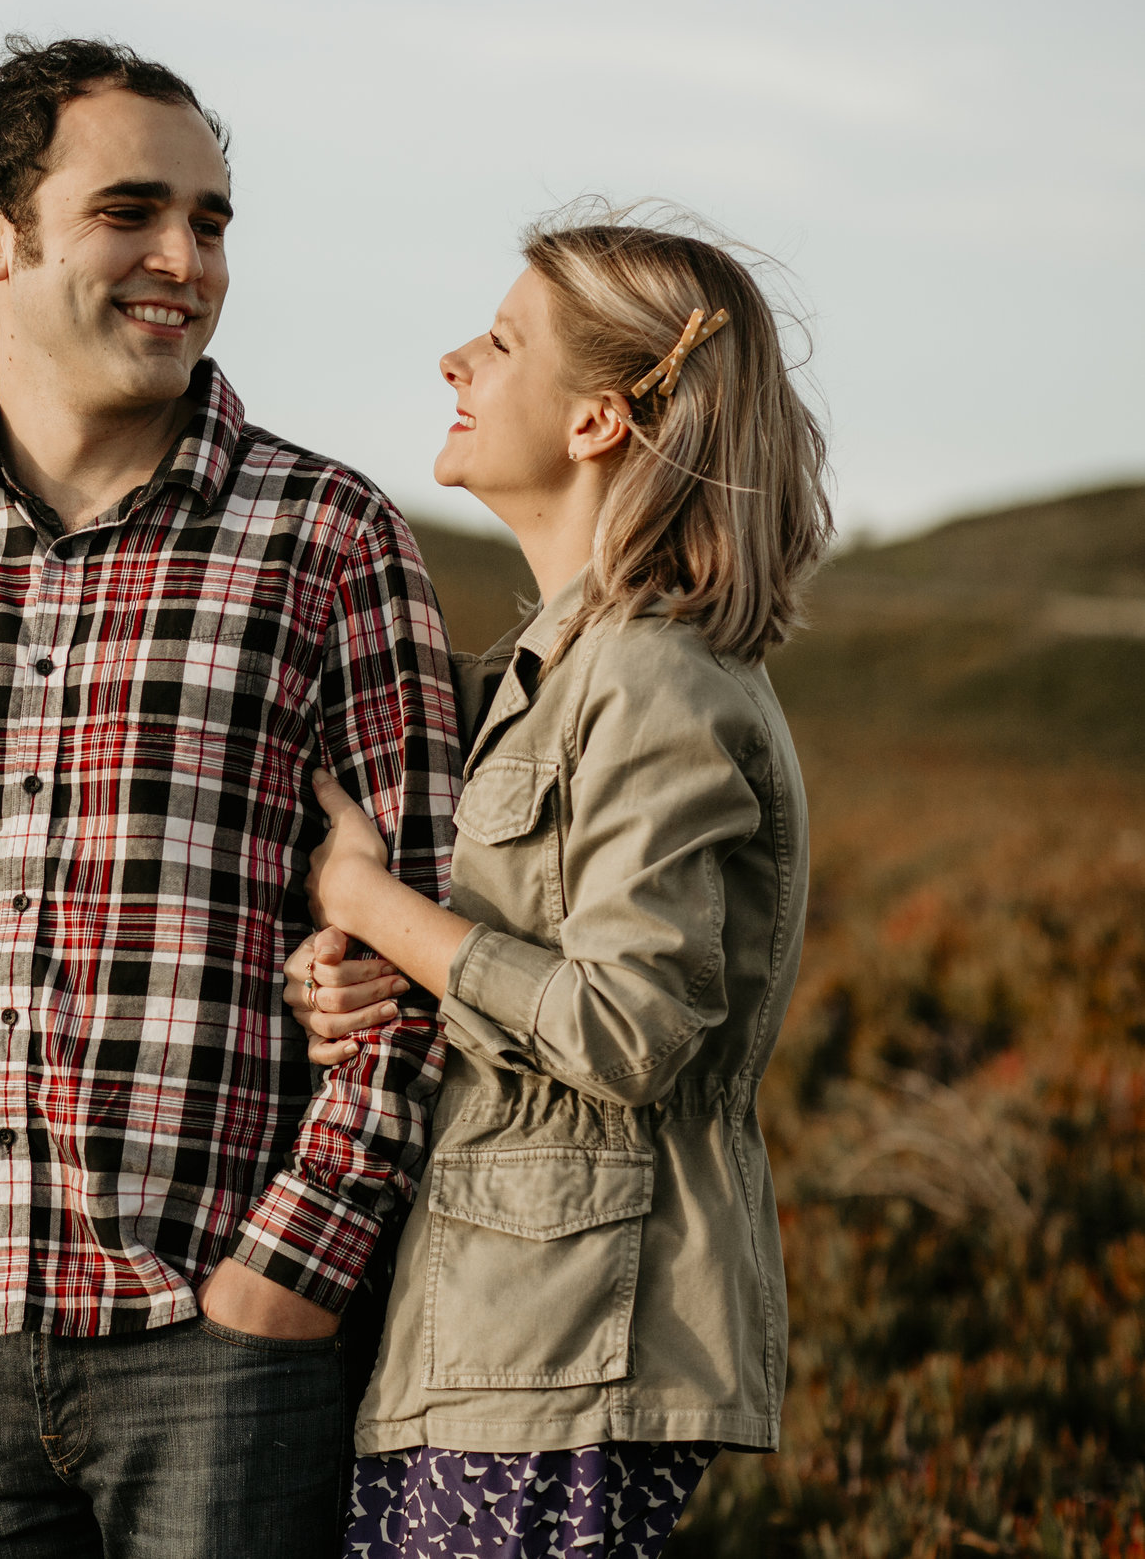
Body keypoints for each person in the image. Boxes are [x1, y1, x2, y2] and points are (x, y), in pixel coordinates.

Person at [0, 35, 466, 1557]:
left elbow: (437, 935)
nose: (185, 258)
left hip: (229, 1349)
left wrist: (291, 1272)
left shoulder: (327, 538)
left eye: (213, 220)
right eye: (132, 211)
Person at [284, 212, 833, 1555]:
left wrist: (375, 910)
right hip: (487, 1336)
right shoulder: (547, 671)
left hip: (566, 1350)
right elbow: (507, 982)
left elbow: (628, 1028)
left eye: (503, 341)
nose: (456, 361)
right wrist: (348, 978)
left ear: (598, 420)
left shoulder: (654, 677)